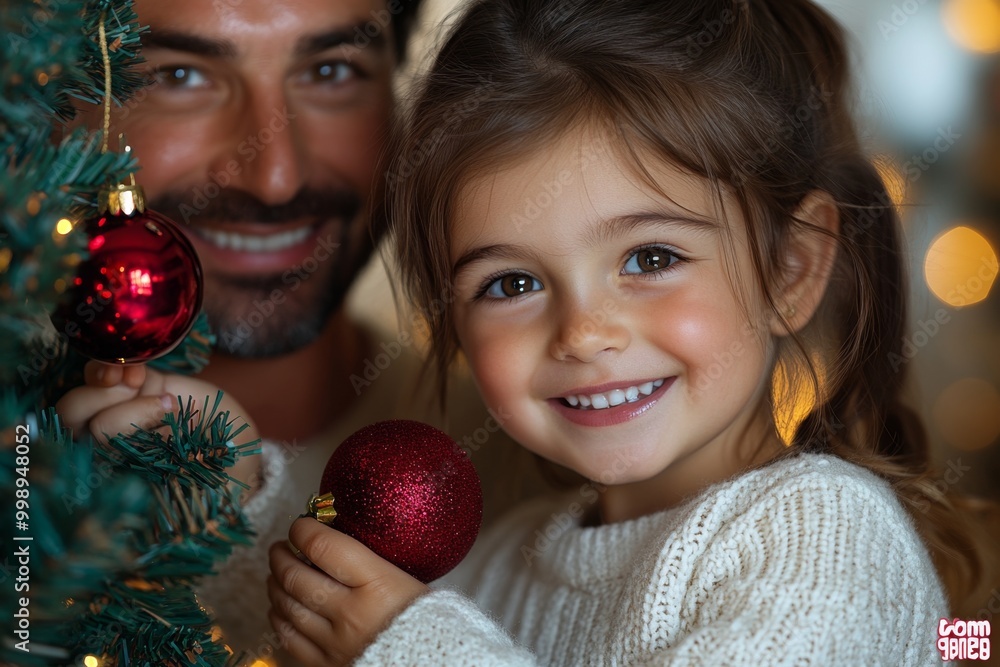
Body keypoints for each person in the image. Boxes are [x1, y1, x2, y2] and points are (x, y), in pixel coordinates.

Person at [265, 0, 986, 664]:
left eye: (651, 258)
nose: (582, 333)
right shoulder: (504, 559)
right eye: (511, 283)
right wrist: (230, 486)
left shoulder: (826, 536)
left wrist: (412, 646)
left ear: (790, 270)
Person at [57, 0, 543, 662]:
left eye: (332, 69)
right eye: (178, 77)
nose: (276, 176)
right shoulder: (25, 503)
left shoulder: (560, 465)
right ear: (50, 111)